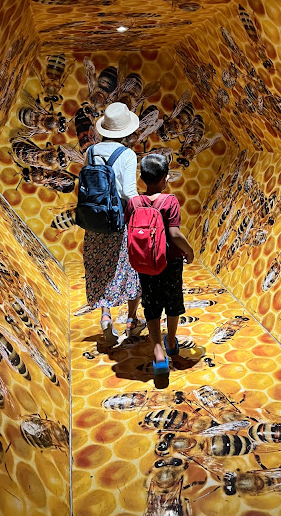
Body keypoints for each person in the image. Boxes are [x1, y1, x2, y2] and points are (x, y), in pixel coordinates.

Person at [82, 102, 146, 347]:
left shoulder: (91, 152)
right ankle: (131, 320)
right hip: (120, 222)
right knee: (130, 270)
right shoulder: (127, 155)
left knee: (101, 267)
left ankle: (106, 317)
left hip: (95, 220)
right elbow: (129, 192)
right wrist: (145, 209)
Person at [125, 154, 194, 375]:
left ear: (142, 178)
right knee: (173, 301)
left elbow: (130, 229)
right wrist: (189, 250)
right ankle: (171, 341)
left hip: (145, 263)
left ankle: (158, 351)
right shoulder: (170, 201)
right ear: (165, 178)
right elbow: (174, 234)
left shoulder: (134, 203)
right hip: (170, 261)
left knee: (151, 303)